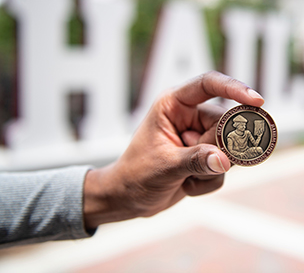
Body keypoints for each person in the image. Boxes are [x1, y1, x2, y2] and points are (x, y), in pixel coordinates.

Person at [0, 71, 265, 248]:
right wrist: (110, 192)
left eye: (243, 127)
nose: (240, 130)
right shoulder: (225, 136)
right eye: (238, 126)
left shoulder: (242, 135)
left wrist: (113, 191)